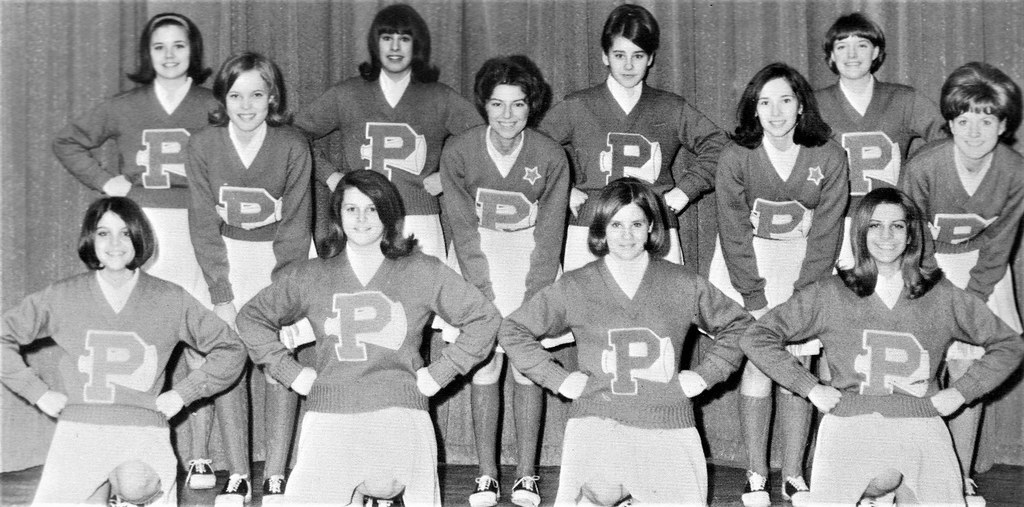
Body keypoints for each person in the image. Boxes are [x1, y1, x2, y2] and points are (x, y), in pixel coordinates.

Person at [741, 187, 1024, 505]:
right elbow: (756, 336)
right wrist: (810, 387)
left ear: (911, 234)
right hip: (850, 419)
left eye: (897, 226)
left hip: (920, 419)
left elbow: (1008, 344)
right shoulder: (830, 292)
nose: (886, 235)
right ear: (860, 233)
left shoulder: (940, 294)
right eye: (875, 225)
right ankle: (871, 496)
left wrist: (961, 392)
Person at [235, 170, 501, 506]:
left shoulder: (421, 269)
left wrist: (441, 373)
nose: (361, 219)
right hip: (331, 413)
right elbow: (249, 318)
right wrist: (291, 373)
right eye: (351, 209)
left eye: (372, 209)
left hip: (400, 415)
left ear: (389, 214)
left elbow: (485, 318)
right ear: (338, 215)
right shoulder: (312, 274)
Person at [50, 14, 225, 490]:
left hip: (193, 231)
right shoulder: (126, 106)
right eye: (159, 47)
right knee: (132, 338)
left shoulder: (213, 106)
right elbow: (67, 141)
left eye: (179, 46)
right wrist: (109, 182)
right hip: (138, 231)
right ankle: (121, 448)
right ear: (147, 55)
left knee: (194, 342)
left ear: (195, 52)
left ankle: (201, 454)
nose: (169, 56)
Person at [499, 177, 752, 506]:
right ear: (602, 228)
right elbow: (513, 329)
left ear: (651, 227)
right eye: (616, 224)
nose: (627, 235)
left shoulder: (682, 282)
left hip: (667, 422)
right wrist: (559, 379)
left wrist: (705, 375)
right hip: (597, 424)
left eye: (636, 223)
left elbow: (740, 325)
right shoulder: (577, 284)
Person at [0, 196, 247, 505]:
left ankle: (125, 494)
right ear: (91, 239)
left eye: (125, 233)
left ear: (139, 236)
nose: (115, 243)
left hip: (142, 426)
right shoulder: (64, 296)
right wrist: (36, 391)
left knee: (136, 484)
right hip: (81, 427)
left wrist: (184, 393)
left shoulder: (169, 298)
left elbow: (231, 348)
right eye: (104, 233)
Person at [707, 62, 848, 506]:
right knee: (758, 364)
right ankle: (754, 473)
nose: (776, 111)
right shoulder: (737, 156)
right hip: (749, 262)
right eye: (765, 102)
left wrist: (805, 293)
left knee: (797, 370)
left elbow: (827, 230)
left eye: (785, 100)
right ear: (753, 109)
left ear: (801, 103)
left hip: (806, 265)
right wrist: (753, 295)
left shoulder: (828, 154)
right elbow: (730, 228)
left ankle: (792, 473)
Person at [440, 54, 568, 507]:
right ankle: (487, 473)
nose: (507, 115)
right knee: (484, 364)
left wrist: (534, 297)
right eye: (497, 105)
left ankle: (528, 473)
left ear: (531, 105)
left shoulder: (550, 154)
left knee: (527, 365)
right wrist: (481, 291)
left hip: (530, 261)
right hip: (479, 262)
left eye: (517, 104)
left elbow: (551, 232)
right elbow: (460, 225)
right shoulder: (459, 150)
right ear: (484, 105)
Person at [188, 51, 313, 504]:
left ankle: (276, 473)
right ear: (223, 97)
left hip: (277, 262)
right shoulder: (203, 144)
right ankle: (239, 471)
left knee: (278, 359)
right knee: (228, 359)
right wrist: (221, 292)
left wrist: (283, 295)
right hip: (226, 257)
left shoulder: (292, 145)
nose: (246, 105)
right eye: (236, 95)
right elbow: (203, 225)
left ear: (272, 97)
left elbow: (297, 225)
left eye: (256, 94)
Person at [901, 61, 1024, 505]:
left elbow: (999, 243)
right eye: (963, 121)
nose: (974, 132)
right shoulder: (925, 166)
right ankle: (919, 468)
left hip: (982, 270)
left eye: (986, 121)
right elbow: (911, 233)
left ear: (1004, 124)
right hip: (924, 265)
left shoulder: (1015, 171)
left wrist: (970, 300)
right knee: (918, 367)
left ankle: (959, 473)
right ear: (949, 123)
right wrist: (937, 291)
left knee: (969, 371)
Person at [539, 3, 727, 271]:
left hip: (654, 228)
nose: (628, 65)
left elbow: (721, 147)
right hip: (592, 228)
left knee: (662, 310)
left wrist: (687, 189)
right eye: (619, 55)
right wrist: (562, 191)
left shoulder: (670, 107)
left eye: (638, 56)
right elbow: (531, 151)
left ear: (650, 58)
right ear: (605, 56)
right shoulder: (578, 106)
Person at [294, 2, 481, 262]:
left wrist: (449, 177)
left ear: (417, 45)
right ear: (375, 43)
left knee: (424, 299)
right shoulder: (348, 94)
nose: (395, 47)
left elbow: (487, 141)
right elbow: (294, 135)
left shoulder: (439, 97)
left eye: (404, 38)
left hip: (419, 220)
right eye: (387, 38)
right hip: (362, 217)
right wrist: (330, 176)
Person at [815, 12, 945, 268]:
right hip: (835, 223)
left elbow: (947, 144)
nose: (852, 55)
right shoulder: (814, 104)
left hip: (891, 222)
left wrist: (919, 188)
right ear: (831, 55)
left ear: (875, 52)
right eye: (842, 47)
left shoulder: (905, 99)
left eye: (861, 45)